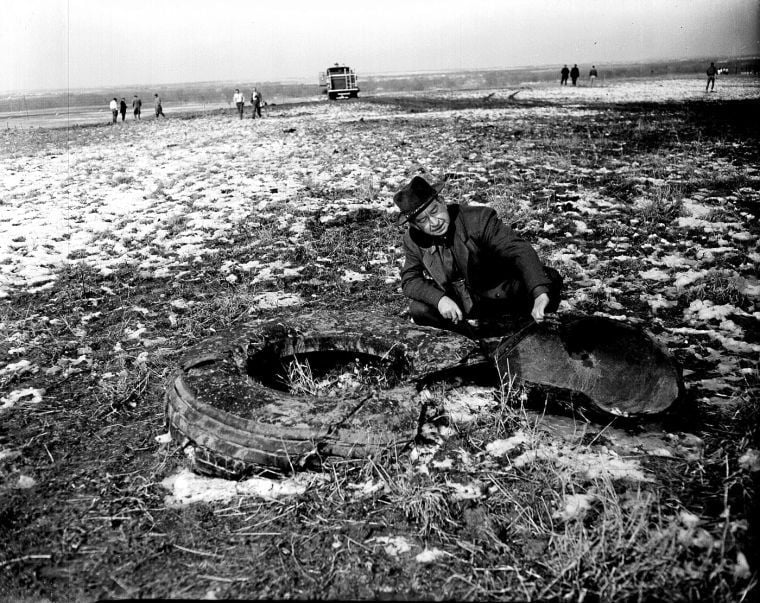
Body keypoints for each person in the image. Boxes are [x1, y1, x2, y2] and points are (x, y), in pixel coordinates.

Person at [394, 176, 562, 335]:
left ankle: (527, 329)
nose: (434, 222)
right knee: (419, 309)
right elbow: (410, 279)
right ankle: (467, 342)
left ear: (442, 202)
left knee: (548, 279)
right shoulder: (413, 240)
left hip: (499, 295)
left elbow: (519, 250)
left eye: (435, 211)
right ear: (415, 225)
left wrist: (539, 293)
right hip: (460, 308)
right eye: (423, 221)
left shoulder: (479, 219)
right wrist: (440, 299)